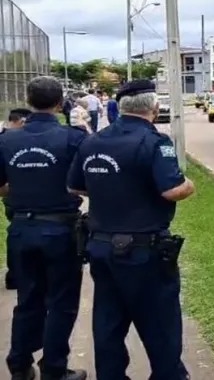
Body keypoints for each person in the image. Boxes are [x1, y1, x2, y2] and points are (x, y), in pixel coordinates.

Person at [67, 79, 195, 379]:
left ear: (119, 108)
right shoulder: (154, 142)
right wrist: (190, 185)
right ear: (154, 107)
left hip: (100, 246)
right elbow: (172, 190)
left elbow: (75, 186)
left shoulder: (92, 141)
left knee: (108, 322)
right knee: (160, 322)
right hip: (143, 251)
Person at [0, 77, 88, 380]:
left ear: (28, 99)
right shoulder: (73, 138)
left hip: (21, 228)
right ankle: (54, 368)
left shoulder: (6, 140)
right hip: (61, 231)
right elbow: (86, 184)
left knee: (27, 299)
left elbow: (1, 188)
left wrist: (25, 185)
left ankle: (19, 365)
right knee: (62, 303)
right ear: (60, 102)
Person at [2, 108, 32, 291]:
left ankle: (15, 275)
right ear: (21, 122)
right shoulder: (8, 140)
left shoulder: (7, 139)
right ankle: (14, 275)